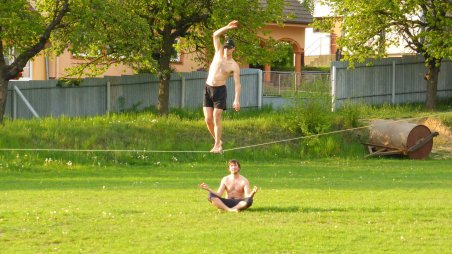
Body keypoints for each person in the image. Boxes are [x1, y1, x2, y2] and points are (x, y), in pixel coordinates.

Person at [203, 20, 241, 153]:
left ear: (233, 49)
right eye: (225, 47)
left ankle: (217, 146)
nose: (226, 49)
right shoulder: (218, 52)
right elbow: (215, 35)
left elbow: (237, 83)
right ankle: (218, 141)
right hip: (208, 88)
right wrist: (227, 27)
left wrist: (236, 99)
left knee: (216, 117)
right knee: (208, 120)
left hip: (220, 91)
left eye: (229, 48)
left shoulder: (234, 65)